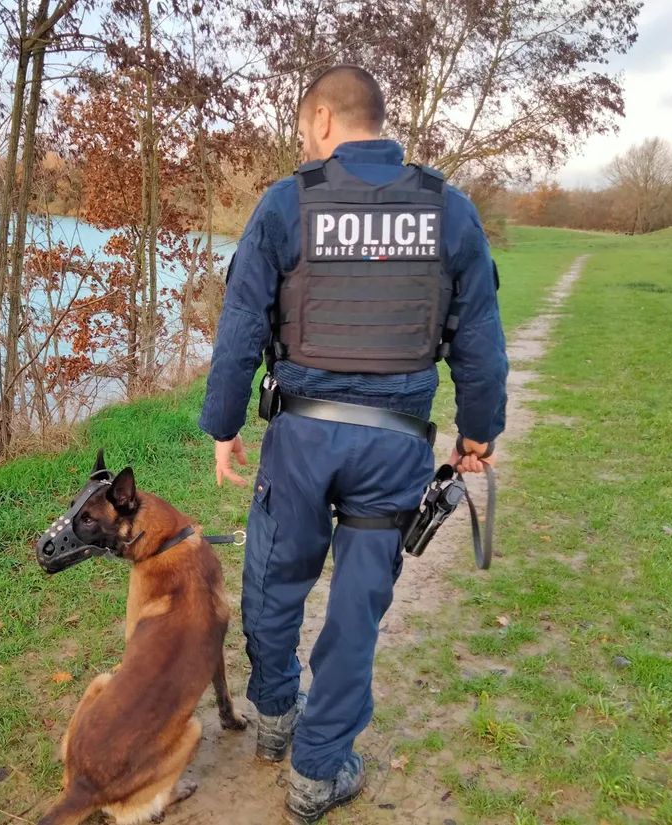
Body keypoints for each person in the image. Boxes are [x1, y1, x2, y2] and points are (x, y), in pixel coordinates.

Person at [198, 65, 508, 824]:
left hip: (301, 439)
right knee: (357, 608)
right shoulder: (449, 210)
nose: (305, 141)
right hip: (394, 446)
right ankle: (317, 771)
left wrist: (225, 425)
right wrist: (477, 430)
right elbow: (479, 337)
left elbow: (241, 324)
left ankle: (275, 718)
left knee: (275, 579)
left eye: (306, 128)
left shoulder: (288, 202)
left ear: (325, 119)